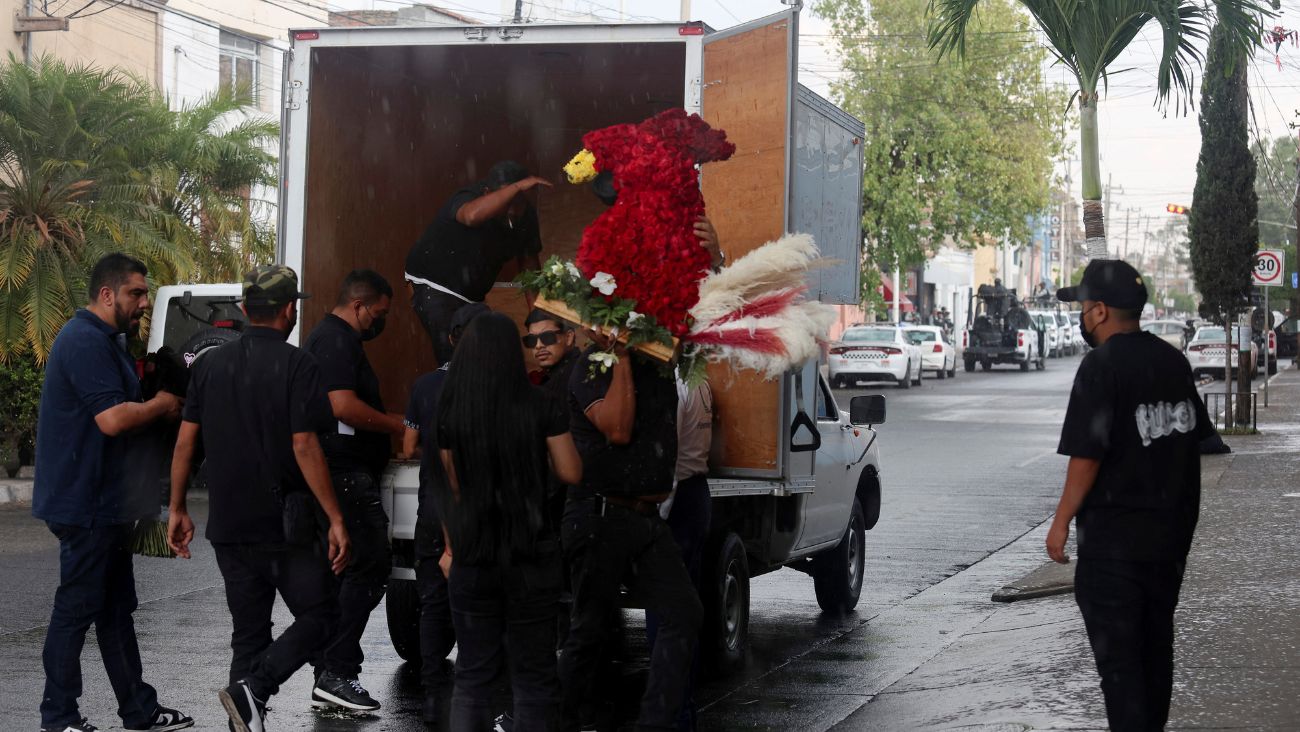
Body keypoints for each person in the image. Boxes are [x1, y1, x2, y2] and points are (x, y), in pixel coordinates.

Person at [166, 264, 350, 732]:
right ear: (290, 311)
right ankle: (257, 689)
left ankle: (245, 708)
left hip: (229, 524)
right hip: (283, 525)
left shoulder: (209, 366)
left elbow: (186, 442)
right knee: (323, 613)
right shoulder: (298, 365)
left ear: (247, 310)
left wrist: (177, 507)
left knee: (248, 635)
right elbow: (305, 445)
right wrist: (335, 517)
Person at [1049, 259, 1214, 732]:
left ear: (1099, 312)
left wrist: (1061, 522)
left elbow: (1087, 456)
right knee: (1155, 654)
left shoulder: (1099, 367)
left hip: (1114, 548)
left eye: (1083, 307)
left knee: (1121, 670)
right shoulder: (1173, 361)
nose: (1081, 316)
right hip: (1169, 543)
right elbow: (1195, 442)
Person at [32, 254, 192, 732]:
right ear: (107, 294)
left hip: (106, 503)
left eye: (144, 294)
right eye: (136, 293)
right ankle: (58, 717)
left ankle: (139, 711)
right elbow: (113, 419)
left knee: (116, 611)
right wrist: (162, 405)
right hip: (85, 505)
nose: (143, 302)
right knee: (76, 612)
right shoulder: (83, 341)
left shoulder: (107, 341)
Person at [435, 312, 582, 730]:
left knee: (473, 678)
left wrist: (450, 548)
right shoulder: (541, 405)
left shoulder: (450, 413)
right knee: (534, 678)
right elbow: (571, 471)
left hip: (473, 553)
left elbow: (451, 490)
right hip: (530, 553)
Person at [557, 337, 701, 732]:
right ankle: (553, 723)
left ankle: (654, 725)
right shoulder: (596, 362)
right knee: (590, 632)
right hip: (600, 513)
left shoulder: (656, 362)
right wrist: (619, 354)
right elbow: (618, 429)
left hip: (644, 518)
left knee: (683, 612)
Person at [302, 269, 404, 712]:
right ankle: (337, 671)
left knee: (348, 571)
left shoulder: (338, 339)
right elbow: (341, 405)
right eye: (377, 313)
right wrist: (399, 424)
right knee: (368, 565)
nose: (378, 322)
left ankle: (331, 669)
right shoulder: (336, 340)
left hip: (347, 470)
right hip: (344, 471)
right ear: (358, 305)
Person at [399, 301, 489, 725]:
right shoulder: (494, 387)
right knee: (478, 601)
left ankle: (434, 686)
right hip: (477, 510)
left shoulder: (425, 386)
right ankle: (477, 686)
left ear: (451, 339)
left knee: (433, 600)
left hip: (431, 508)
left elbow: (407, 447)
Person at [406, 161, 552, 364]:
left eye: (518, 202)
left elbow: (529, 266)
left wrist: (538, 314)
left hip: (472, 298)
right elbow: (471, 216)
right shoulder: (468, 197)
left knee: (487, 356)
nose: (511, 209)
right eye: (507, 200)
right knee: (456, 358)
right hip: (433, 285)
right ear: (487, 192)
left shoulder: (525, 217)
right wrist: (517, 187)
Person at [645, 378, 714, 732]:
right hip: (694, 495)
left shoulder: (674, 384)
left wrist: (654, 518)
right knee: (683, 614)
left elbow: (666, 459)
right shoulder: (698, 378)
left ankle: (674, 717)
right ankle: (683, 712)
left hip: (676, 503)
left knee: (667, 618)